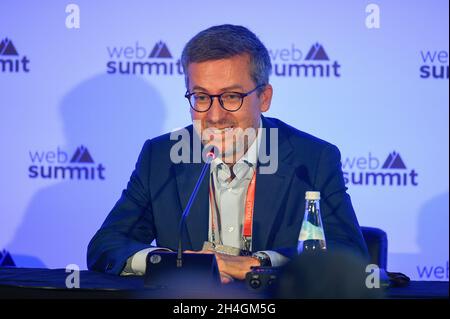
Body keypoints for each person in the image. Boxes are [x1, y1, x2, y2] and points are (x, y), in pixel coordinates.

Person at [87, 24, 368, 284]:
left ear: (265, 98)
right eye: (201, 97)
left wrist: (260, 264)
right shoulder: (161, 156)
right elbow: (107, 245)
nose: (215, 115)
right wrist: (172, 263)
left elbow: (349, 253)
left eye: (231, 96)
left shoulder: (313, 159)